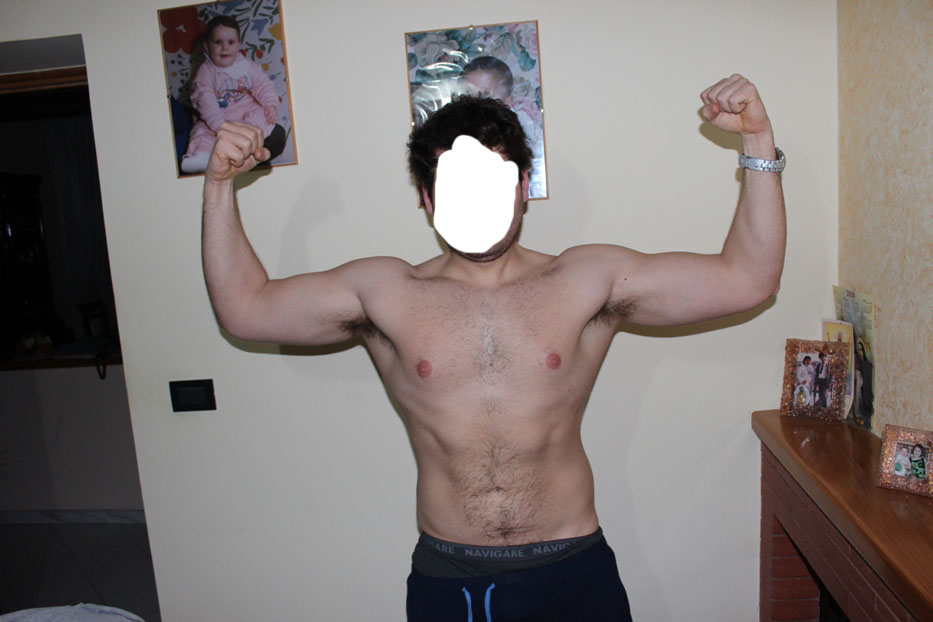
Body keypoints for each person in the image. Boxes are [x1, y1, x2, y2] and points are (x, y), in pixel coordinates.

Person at [201, 74, 785, 620]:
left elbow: (747, 280)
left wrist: (757, 139)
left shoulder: (585, 280)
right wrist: (220, 184)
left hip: (572, 566)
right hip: (449, 572)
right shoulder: (387, 291)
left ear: (523, 188)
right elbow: (245, 310)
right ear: (427, 199)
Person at [180, 15, 280, 174]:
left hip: (245, 112)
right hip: (219, 118)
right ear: (206, 46)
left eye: (231, 42)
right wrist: (219, 125)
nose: (224, 47)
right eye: (218, 42)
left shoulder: (247, 66)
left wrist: (270, 104)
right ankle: (201, 156)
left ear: (239, 44)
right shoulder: (205, 72)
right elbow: (204, 99)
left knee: (262, 115)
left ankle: (246, 143)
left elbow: (262, 85)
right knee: (200, 131)